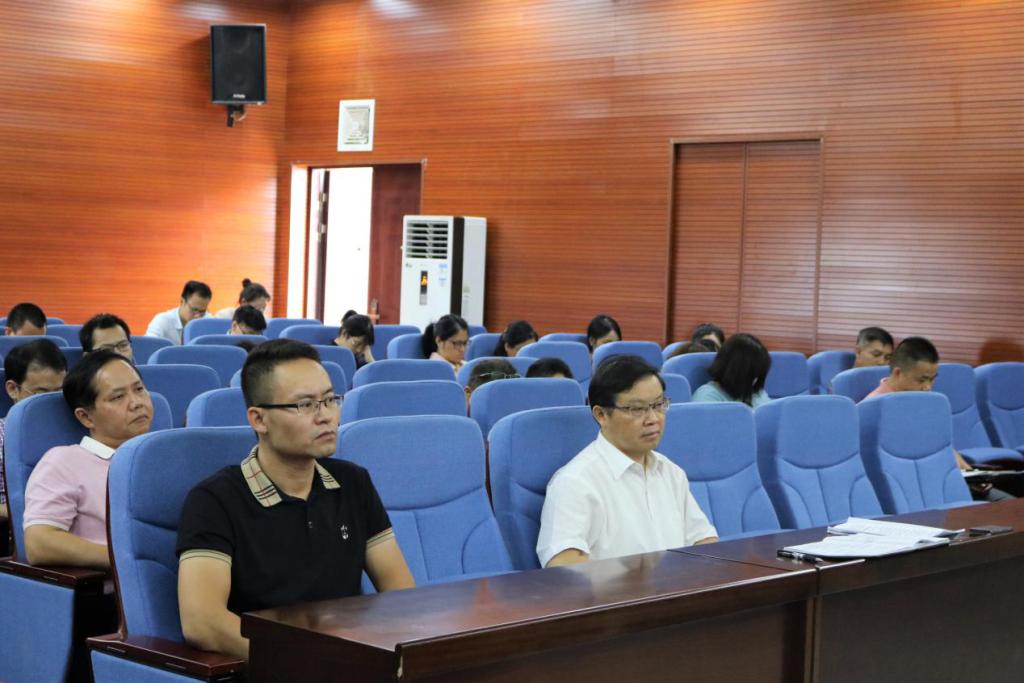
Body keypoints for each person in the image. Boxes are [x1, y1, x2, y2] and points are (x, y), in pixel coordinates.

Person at [176, 340, 414, 660]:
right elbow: (203, 622)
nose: (325, 416)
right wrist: (306, 662)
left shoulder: (353, 483)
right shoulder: (214, 501)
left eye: (330, 400)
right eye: (305, 405)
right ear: (259, 419)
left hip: (349, 660)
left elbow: (402, 597)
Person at [537, 355, 717, 567]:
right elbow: (562, 562)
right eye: (637, 409)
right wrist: (633, 578)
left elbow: (703, 541)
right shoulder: (575, 482)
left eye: (658, 405)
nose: (653, 419)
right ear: (601, 415)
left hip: (678, 586)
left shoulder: (671, 472)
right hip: (617, 589)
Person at [23, 350, 153, 569]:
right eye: (118, 397)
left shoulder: (163, 455)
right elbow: (39, 543)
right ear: (86, 417)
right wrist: (131, 562)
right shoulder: (63, 462)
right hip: (113, 584)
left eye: (139, 389)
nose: (136, 403)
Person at [863, 336, 1013, 502]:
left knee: (1011, 505)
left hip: (945, 484)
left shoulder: (926, 403)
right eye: (921, 380)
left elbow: (944, 447)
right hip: (916, 493)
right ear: (898, 373)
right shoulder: (872, 409)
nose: (927, 387)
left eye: (932, 379)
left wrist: (972, 475)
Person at [0, 340, 68, 521]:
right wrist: (32, 513)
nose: (50, 403)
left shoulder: (80, 430)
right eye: (41, 394)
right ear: (13, 389)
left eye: (59, 393)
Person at [692, 333, 772, 408]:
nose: (755, 380)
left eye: (758, 374)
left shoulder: (757, 393)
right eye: (752, 374)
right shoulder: (707, 396)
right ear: (735, 371)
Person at [146, 281, 213, 345]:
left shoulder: (208, 321)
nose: (198, 316)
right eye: (194, 310)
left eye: (203, 311)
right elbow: (149, 347)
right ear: (182, 302)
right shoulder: (162, 321)